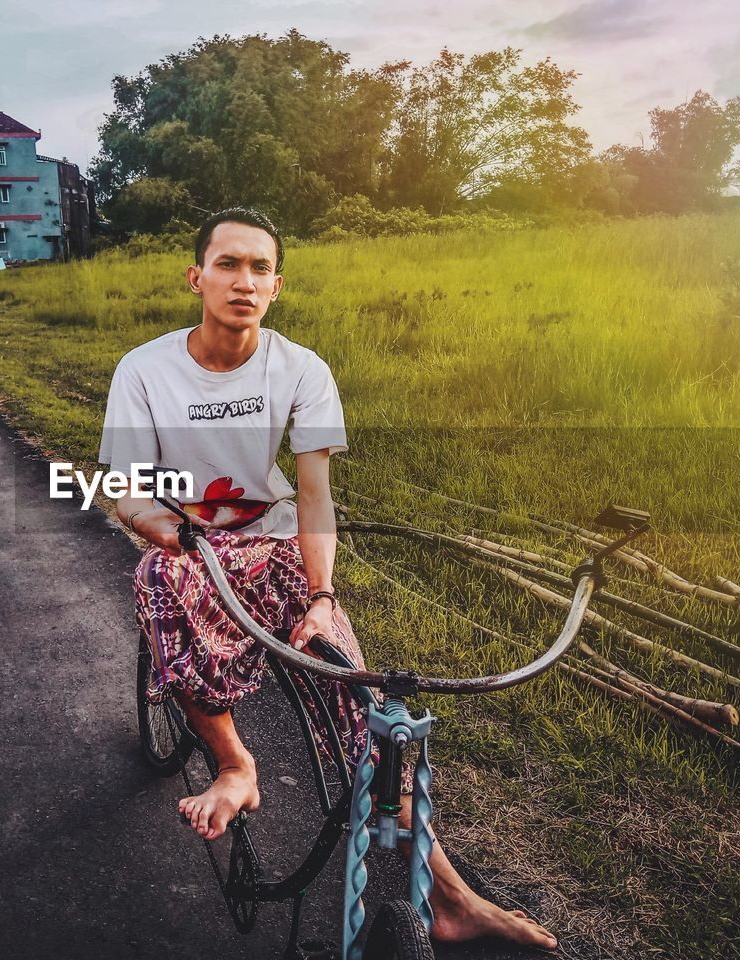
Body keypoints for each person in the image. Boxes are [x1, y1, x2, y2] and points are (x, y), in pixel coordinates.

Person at [99, 207, 557, 950]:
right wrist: (166, 527)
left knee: (365, 704)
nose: (243, 281)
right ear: (197, 277)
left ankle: (453, 898)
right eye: (227, 265)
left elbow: (314, 495)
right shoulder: (144, 370)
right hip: (192, 547)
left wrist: (319, 599)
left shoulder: (302, 368)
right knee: (158, 580)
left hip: (278, 545)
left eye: (259, 269)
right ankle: (234, 764)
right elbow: (122, 486)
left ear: (276, 286)